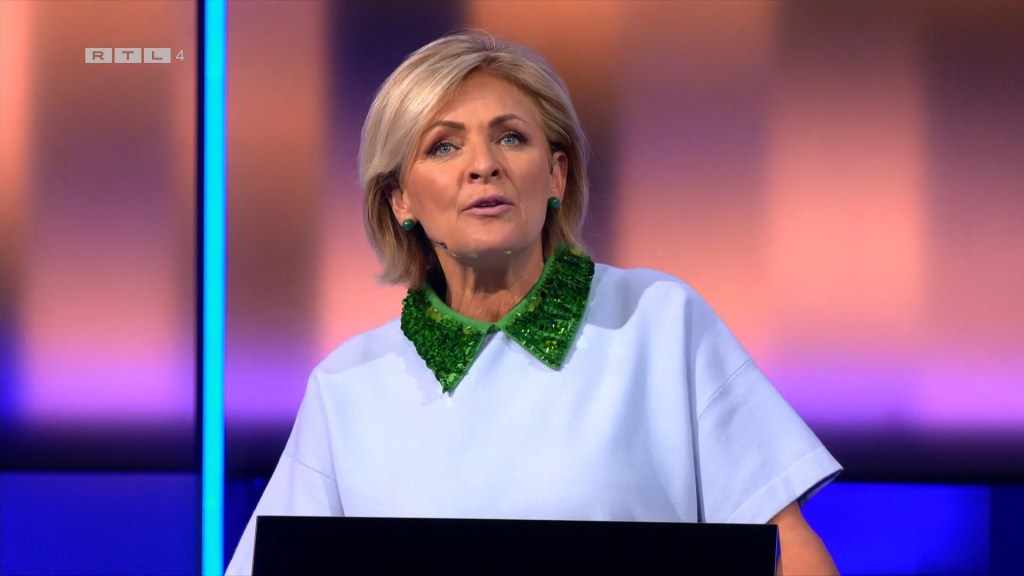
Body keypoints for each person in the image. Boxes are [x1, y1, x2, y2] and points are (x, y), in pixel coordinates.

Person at [226, 30, 842, 575]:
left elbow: (789, 552)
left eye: (511, 138)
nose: (483, 166)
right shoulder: (347, 387)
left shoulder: (659, 321)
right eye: (443, 147)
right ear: (400, 201)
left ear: (556, 176)